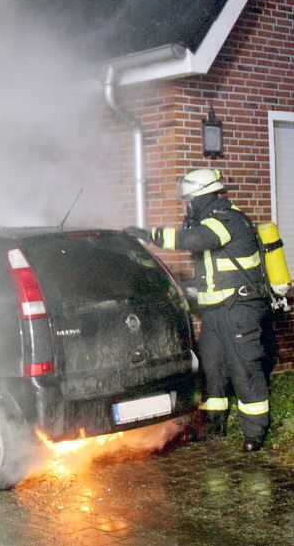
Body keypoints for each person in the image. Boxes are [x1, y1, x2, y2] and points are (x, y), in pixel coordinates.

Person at [125, 168, 275, 452]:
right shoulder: (209, 219)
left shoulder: (226, 220)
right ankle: (215, 426)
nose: (187, 206)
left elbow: (192, 241)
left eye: (189, 200)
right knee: (213, 369)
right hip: (216, 313)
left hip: (239, 310)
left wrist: (148, 236)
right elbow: (210, 271)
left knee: (245, 371)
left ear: (200, 196)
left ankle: (255, 434)